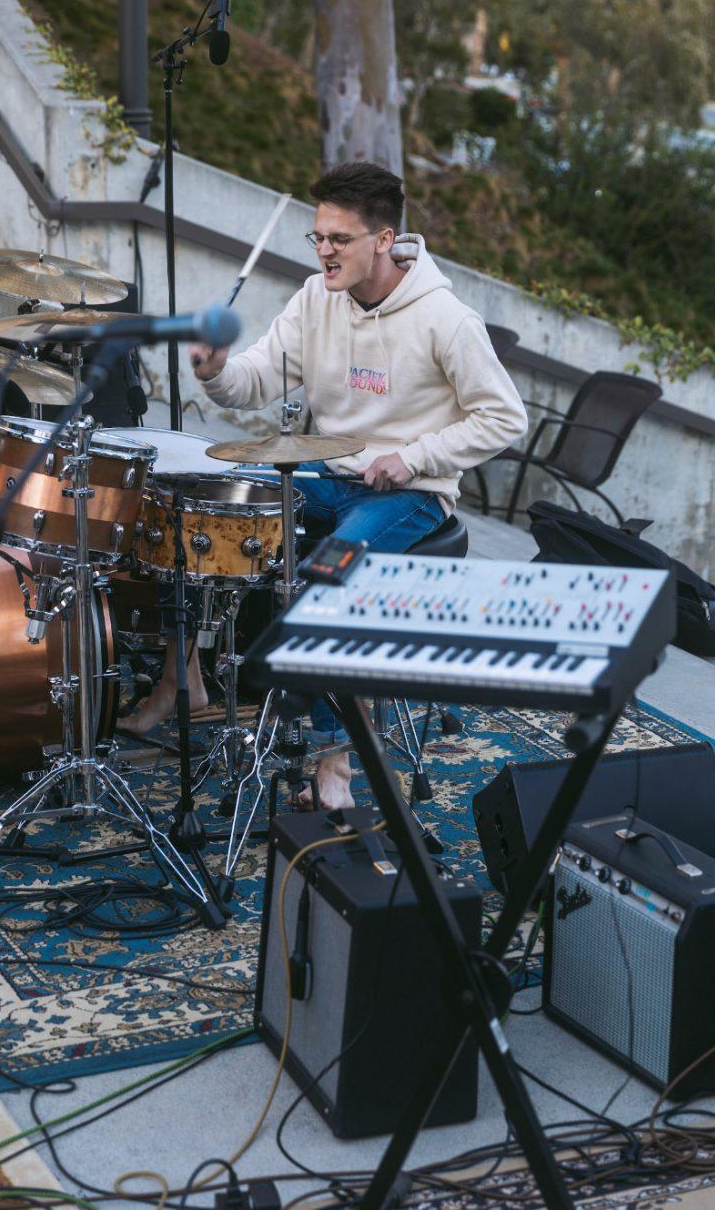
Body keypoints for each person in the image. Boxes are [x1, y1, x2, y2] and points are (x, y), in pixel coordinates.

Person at [130, 161, 528, 806]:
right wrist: (215, 371)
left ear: (383, 238)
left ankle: (333, 761)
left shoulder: (447, 319)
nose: (323, 251)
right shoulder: (317, 298)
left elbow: (505, 417)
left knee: (325, 576)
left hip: (409, 494)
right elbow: (253, 380)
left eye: (338, 239)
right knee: (196, 508)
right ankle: (184, 678)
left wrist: (415, 456)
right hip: (328, 474)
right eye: (317, 237)